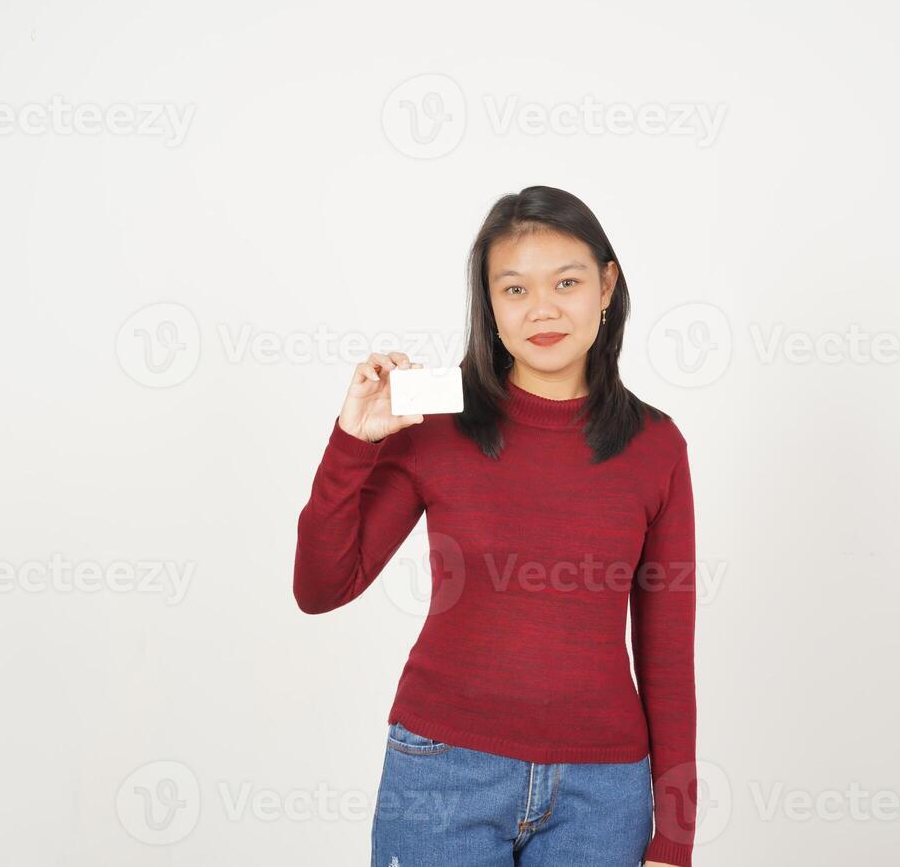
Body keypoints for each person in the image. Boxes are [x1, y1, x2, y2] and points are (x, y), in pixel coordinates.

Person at [294, 185, 698, 866]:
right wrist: (352, 443)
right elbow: (322, 586)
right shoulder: (437, 419)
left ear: (606, 285)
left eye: (566, 281)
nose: (542, 308)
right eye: (514, 290)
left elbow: (667, 656)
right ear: (489, 306)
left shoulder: (656, 446)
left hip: (603, 796)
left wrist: (675, 839)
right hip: (443, 775)